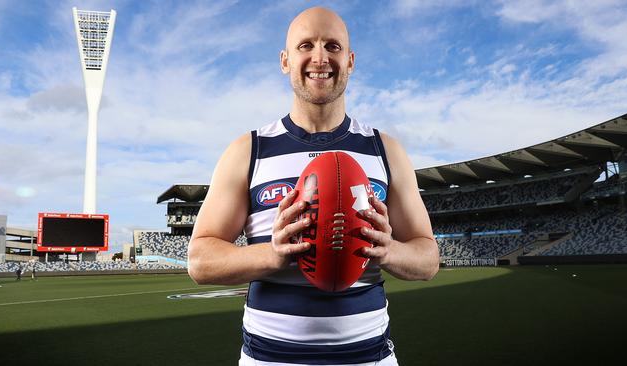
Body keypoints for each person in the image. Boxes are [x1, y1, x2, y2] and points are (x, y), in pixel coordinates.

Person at [188, 6, 439, 365]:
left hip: (369, 357)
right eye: (306, 45)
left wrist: (388, 251)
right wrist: (271, 255)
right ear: (285, 61)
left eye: (332, 47)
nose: (319, 57)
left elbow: (428, 258)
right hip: (269, 359)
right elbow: (200, 261)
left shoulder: (386, 150)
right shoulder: (249, 150)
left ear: (350, 61)